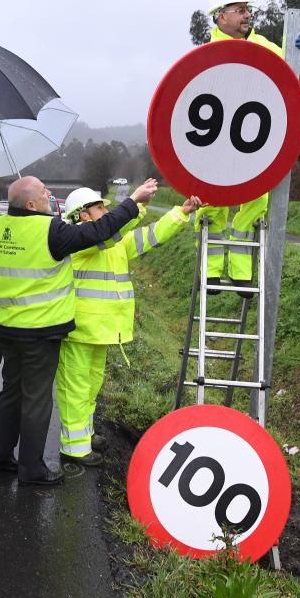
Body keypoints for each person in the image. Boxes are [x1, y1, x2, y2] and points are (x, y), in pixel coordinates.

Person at [0, 176, 159, 486]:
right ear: (32, 204)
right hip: (41, 329)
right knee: (37, 400)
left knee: (10, 393)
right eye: (44, 192)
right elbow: (99, 231)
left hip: (8, 327)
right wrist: (134, 201)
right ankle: (31, 469)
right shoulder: (50, 230)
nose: (50, 194)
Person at [55, 188, 201, 466]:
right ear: (83, 215)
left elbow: (149, 237)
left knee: (90, 386)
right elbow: (109, 233)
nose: (107, 213)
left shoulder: (112, 243)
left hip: (100, 329)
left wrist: (179, 214)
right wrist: (135, 205)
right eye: (101, 208)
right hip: (78, 331)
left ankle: (83, 435)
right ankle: (73, 447)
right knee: (74, 389)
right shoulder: (79, 242)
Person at [200, 0, 300, 296]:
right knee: (213, 206)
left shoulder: (264, 44)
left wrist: (299, 53)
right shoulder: (208, 52)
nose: (247, 15)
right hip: (217, 142)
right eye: (240, 10)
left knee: (255, 201)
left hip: (254, 140)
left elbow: (288, 70)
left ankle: (240, 275)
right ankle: (210, 275)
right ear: (221, 17)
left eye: (248, 9)